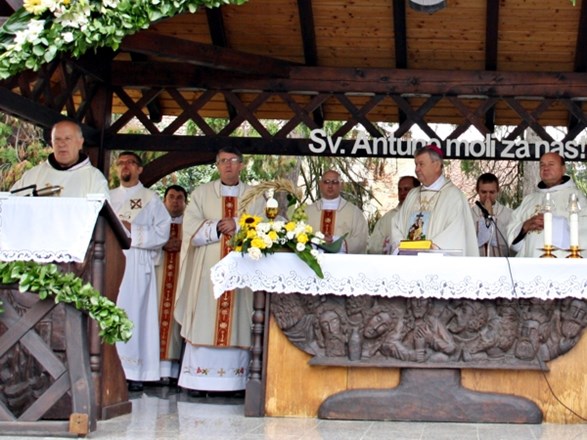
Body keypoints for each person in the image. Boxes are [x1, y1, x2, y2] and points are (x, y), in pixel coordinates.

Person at [174, 146, 264, 396]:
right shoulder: (202, 193)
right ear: (216, 165)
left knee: (238, 321)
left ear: (242, 165)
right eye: (223, 161)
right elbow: (189, 226)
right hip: (208, 272)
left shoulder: (255, 196)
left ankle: (236, 383)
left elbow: (266, 227)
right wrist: (216, 227)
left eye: (233, 161)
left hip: (242, 272)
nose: (227, 165)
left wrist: (238, 224)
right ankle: (198, 382)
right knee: (205, 315)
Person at [110, 152, 171, 392]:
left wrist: (132, 230)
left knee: (133, 314)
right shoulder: (108, 197)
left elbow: (162, 233)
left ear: (139, 169)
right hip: (110, 258)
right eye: (121, 163)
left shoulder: (151, 199)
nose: (125, 167)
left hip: (136, 260)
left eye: (130, 163)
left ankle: (133, 371)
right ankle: (110, 366)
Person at [390, 144, 479, 256]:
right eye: (416, 164)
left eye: (421, 164)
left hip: (438, 266)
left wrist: (428, 250)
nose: (416, 169)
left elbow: (455, 233)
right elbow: (396, 225)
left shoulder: (453, 196)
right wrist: (402, 247)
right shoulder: (413, 194)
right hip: (408, 264)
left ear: (436, 165)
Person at [507, 152, 587, 258]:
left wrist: (551, 223)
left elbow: (583, 230)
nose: (545, 168)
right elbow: (513, 238)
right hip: (530, 266)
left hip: (563, 266)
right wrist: (525, 226)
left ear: (563, 169)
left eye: (551, 164)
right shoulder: (529, 199)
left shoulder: (576, 197)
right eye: (542, 165)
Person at [11, 120, 109, 199]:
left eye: (67, 139)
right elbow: (11, 205)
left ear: (80, 143)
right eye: (57, 139)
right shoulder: (33, 175)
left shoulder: (94, 179)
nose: (62, 144)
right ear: (52, 143)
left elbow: (102, 218)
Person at [156, 184, 188, 385]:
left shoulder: (190, 223)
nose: (175, 201)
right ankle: (154, 369)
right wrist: (162, 243)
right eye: (171, 197)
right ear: (164, 200)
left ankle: (174, 372)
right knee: (156, 317)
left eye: (179, 198)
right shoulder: (157, 221)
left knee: (177, 319)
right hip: (158, 278)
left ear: (185, 203)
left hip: (181, 278)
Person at [306, 170, 369, 254]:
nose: (330, 186)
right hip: (312, 261)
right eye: (326, 182)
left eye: (335, 182)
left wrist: (338, 244)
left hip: (343, 263)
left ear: (341, 185)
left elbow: (362, 239)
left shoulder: (354, 212)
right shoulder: (308, 211)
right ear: (320, 185)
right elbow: (298, 236)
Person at [368, 176, 420, 254]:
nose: (402, 193)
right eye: (400, 190)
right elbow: (371, 245)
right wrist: (384, 244)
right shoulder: (388, 217)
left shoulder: (422, 214)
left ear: (417, 191)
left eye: (406, 189)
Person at [471, 173, 513, 257]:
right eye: (484, 192)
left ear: (498, 190)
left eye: (492, 192)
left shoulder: (509, 214)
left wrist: (491, 217)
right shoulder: (469, 214)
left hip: (502, 264)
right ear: (477, 190)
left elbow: (512, 243)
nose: (488, 196)